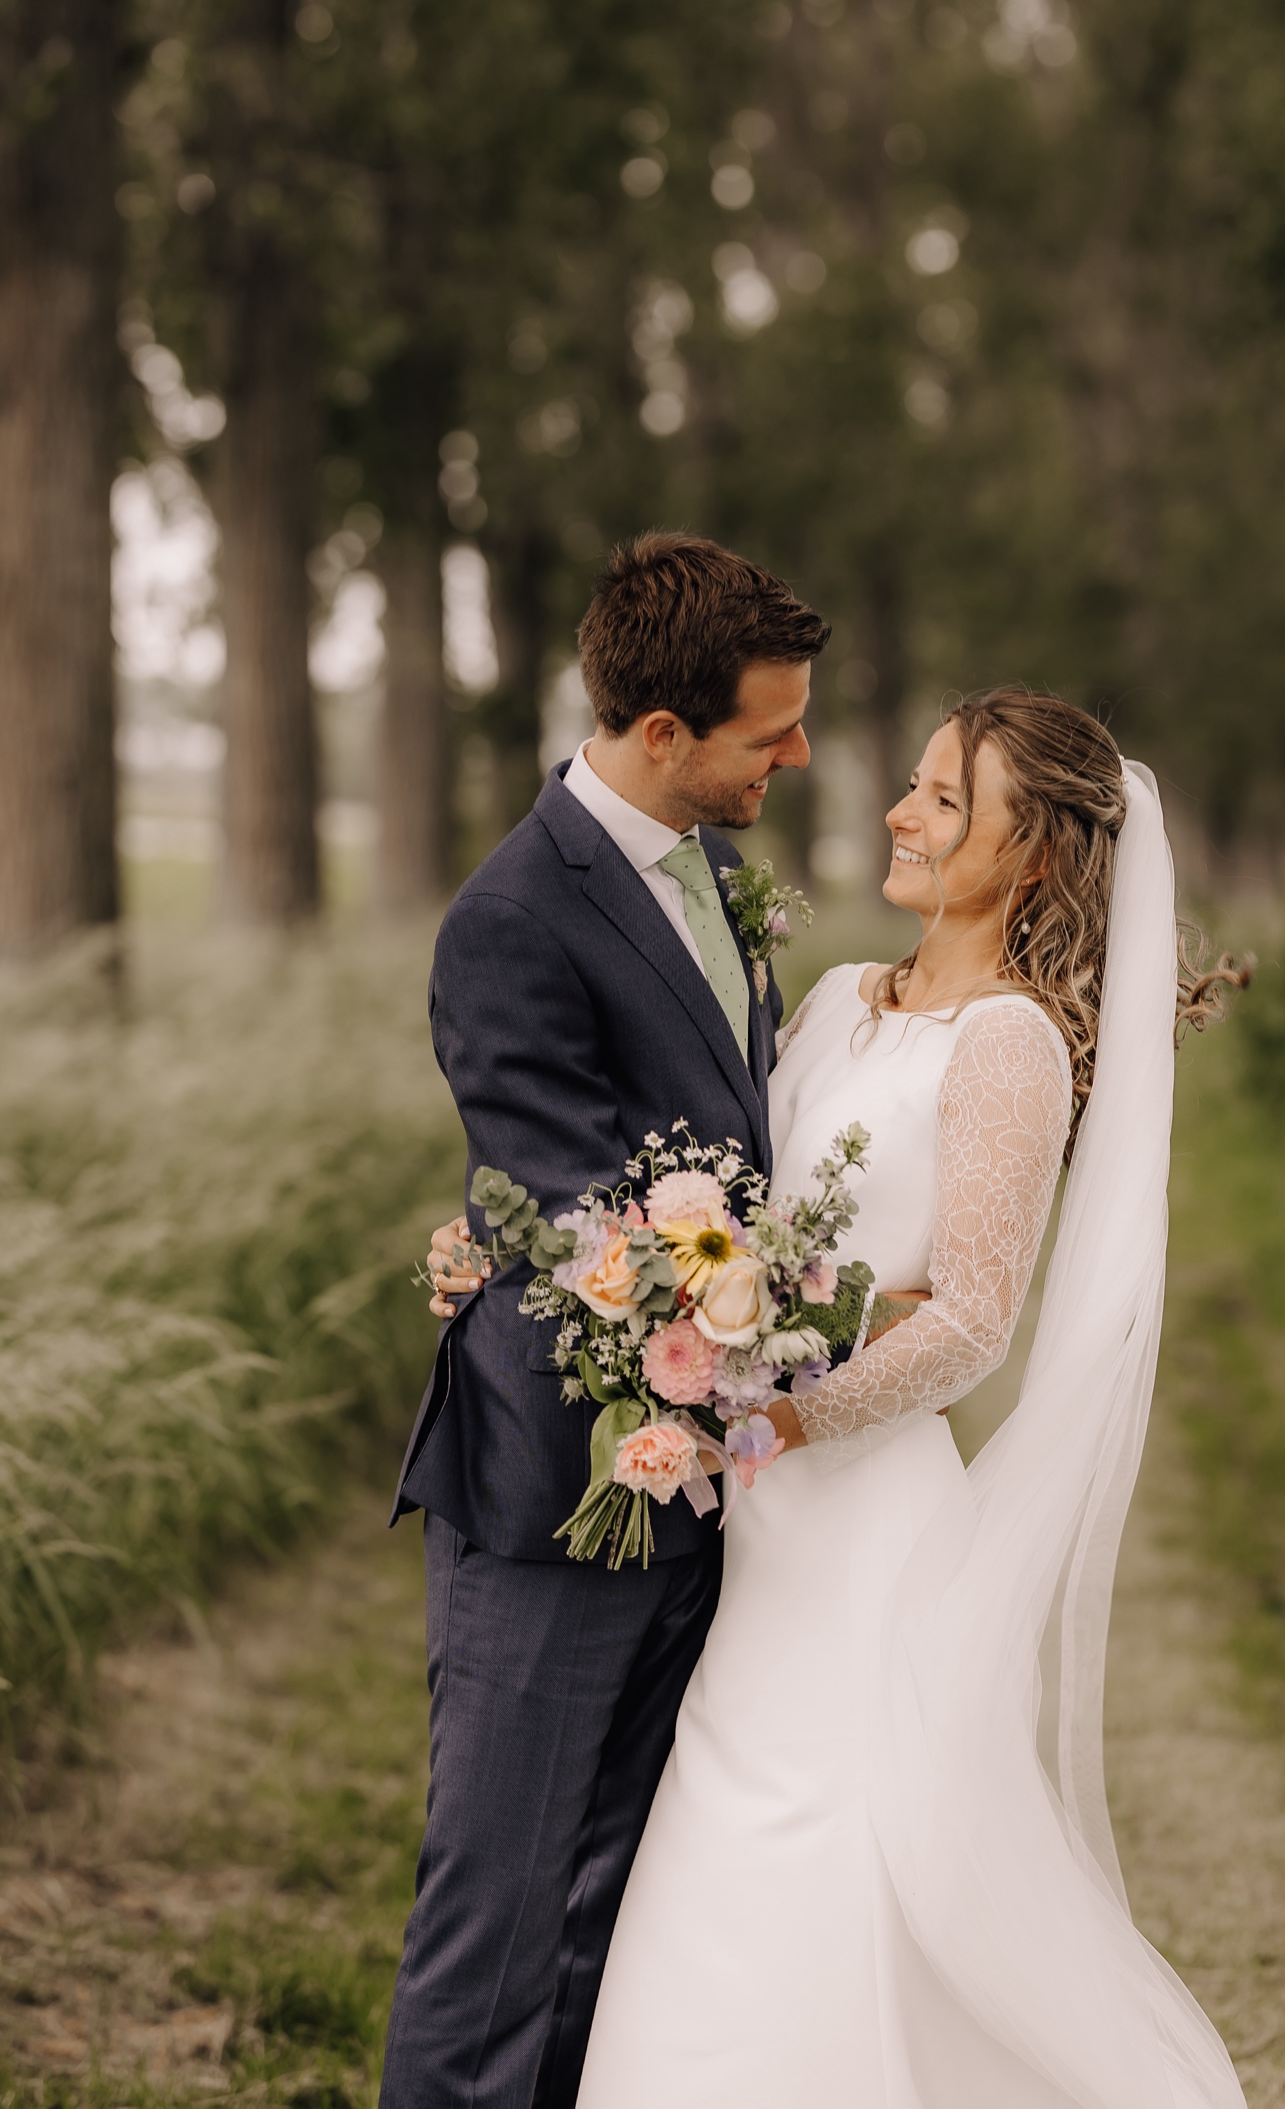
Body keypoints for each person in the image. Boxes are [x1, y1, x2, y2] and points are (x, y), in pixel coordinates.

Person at [575, 688, 1250, 2107]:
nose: (902, 810)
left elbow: (970, 1326)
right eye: (919, 785)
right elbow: (755, 1230)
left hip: (862, 1526)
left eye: (946, 801)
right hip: (761, 1526)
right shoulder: (832, 1001)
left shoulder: (1003, 1044)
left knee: (825, 1841)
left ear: (1038, 857)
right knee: (721, 1821)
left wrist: (771, 1420)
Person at [379, 533, 829, 2109]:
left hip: (694, 1482)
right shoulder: (513, 916)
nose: (799, 752)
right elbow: (579, 1205)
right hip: (554, 1484)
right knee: (497, 1911)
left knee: (615, 1912)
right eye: (770, 731)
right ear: (663, 735)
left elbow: (720, 1141)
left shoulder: (710, 870)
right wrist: (824, 1307)